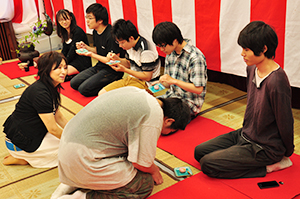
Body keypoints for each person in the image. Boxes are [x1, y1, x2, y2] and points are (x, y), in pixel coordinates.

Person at [194, 21, 294, 179]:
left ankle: (268, 168)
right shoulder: (252, 68)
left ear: (264, 49)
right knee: (199, 152)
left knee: (208, 164)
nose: (242, 54)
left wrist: (286, 151)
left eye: (246, 49)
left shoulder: (277, 81)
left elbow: (285, 121)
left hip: (265, 147)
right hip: (245, 134)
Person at [50, 86, 190, 199]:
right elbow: (141, 163)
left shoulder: (137, 92)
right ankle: (80, 196)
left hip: (66, 153)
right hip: (83, 160)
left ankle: (66, 187)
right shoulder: (154, 116)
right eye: (170, 131)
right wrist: (155, 170)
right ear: (169, 121)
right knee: (144, 184)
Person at [2, 52, 68, 168]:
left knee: (68, 143)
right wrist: (72, 141)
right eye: (58, 68)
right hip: (19, 141)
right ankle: (21, 158)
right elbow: (52, 129)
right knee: (69, 151)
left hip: (31, 132)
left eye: (65, 67)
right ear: (47, 70)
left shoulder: (50, 87)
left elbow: (58, 116)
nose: (64, 71)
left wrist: (74, 132)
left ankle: (26, 156)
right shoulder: (40, 93)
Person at [152, 21, 207, 117]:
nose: (161, 49)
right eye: (159, 46)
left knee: (159, 118)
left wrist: (174, 81)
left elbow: (198, 89)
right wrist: (159, 84)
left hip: (189, 104)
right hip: (172, 97)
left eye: (163, 45)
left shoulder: (195, 57)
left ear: (174, 41)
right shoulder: (170, 54)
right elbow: (169, 84)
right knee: (149, 105)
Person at [70, 3, 125, 97]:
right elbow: (97, 50)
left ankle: (112, 86)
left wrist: (90, 54)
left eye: (90, 18)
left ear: (100, 20)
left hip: (112, 71)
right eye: (86, 17)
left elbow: (113, 60)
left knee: (84, 89)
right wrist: (86, 47)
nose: (87, 21)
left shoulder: (111, 34)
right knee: (74, 83)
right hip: (99, 66)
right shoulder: (95, 31)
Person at [98, 19, 161, 96]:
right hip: (131, 79)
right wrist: (117, 59)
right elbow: (128, 63)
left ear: (131, 38)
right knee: (102, 94)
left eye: (122, 43)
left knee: (120, 99)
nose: (120, 46)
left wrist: (124, 70)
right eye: (118, 43)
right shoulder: (130, 46)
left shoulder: (146, 51)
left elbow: (147, 77)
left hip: (146, 84)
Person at [56, 9, 92, 80]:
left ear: (71, 18)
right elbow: (64, 50)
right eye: (61, 20)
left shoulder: (78, 31)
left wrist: (63, 64)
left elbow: (72, 52)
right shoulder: (64, 32)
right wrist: (58, 61)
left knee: (59, 73)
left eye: (66, 19)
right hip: (71, 60)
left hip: (81, 61)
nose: (64, 22)